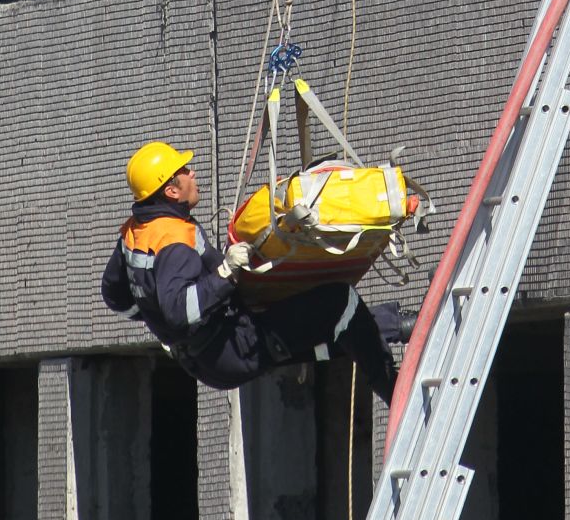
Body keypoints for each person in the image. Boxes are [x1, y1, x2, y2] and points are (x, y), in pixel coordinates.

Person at [101, 140, 412, 402]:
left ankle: (401, 325)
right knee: (340, 303)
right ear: (171, 190)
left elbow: (116, 297)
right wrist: (224, 274)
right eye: (183, 171)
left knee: (326, 330)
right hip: (231, 347)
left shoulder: (134, 231)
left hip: (206, 357)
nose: (191, 172)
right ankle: (399, 397)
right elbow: (181, 310)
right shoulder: (174, 238)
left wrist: (161, 321)